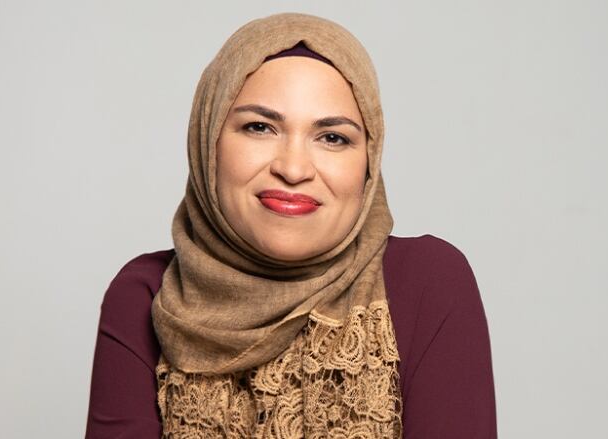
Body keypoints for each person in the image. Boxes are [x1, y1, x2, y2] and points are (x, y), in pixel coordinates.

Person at [85, 12, 497, 439]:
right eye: (260, 127)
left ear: (367, 163)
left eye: (333, 137)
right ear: (208, 142)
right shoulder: (147, 296)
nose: (294, 168)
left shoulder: (428, 283)